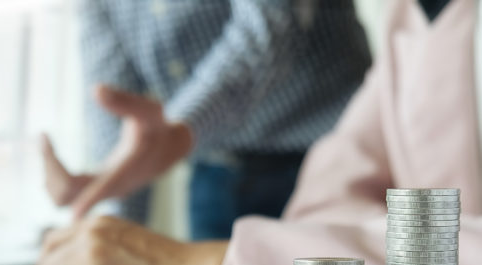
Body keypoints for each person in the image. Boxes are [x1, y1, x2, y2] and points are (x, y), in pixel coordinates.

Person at [20, 0, 482, 265]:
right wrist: (102, 224)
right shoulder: (413, 15)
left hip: (297, 139)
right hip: (220, 169)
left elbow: (269, 27)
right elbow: (319, 220)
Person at [42, 0, 371, 240]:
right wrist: (108, 211)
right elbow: (115, 108)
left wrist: (180, 128)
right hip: (216, 177)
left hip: (327, 164)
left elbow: (269, 29)